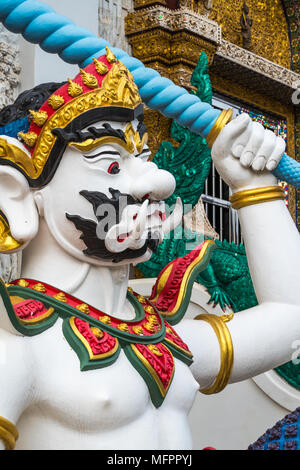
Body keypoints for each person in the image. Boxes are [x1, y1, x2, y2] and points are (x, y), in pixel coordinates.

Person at [0, 49, 299, 450]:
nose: (160, 181)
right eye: (111, 163)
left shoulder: (164, 338)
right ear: (18, 194)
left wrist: (252, 186)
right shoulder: (15, 344)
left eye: (142, 156)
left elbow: (292, 321)